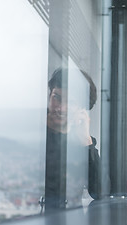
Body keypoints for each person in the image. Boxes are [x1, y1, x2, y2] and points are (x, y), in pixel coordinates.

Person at [44, 67, 105, 209]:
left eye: (70, 103)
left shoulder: (81, 141)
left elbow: (100, 192)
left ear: (82, 109)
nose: (61, 108)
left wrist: (86, 141)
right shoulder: (38, 134)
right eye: (56, 98)